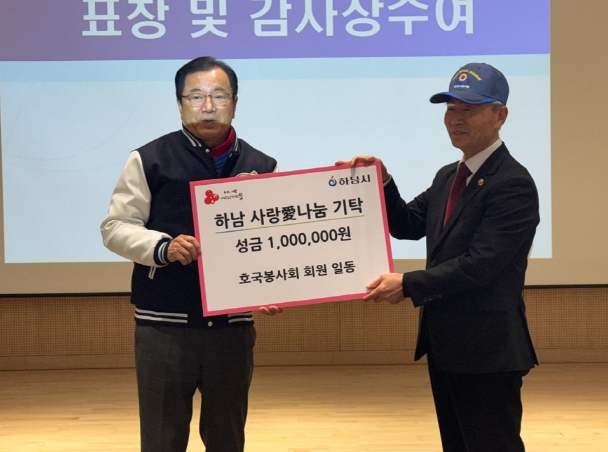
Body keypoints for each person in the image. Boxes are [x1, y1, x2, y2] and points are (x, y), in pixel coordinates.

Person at [337, 62, 539, 452]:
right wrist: (382, 181)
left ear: (500, 116)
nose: (455, 119)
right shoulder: (449, 175)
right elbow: (408, 223)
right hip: (446, 345)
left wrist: (408, 284)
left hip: (487, 350)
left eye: (469, 109)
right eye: (450, 109)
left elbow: (481, 265)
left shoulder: (513, 183)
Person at [101, 56, 281, 452]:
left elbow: (271, 241)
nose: (208, 106)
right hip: (163, 327)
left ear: (235, 102)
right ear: (180, 104)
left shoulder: (261, 165)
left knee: (227, 438)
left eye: (220, 96)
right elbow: (115, 228)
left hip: (232, 328)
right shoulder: (149, 158)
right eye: (196, 97)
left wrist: (273, 284)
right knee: (162, 439)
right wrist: (162, 247)